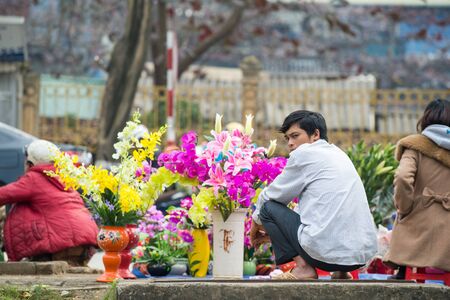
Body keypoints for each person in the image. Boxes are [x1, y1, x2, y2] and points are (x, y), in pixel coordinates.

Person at [250, 110, 377, 280]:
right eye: (288, 138)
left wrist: (255, 223)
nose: (290, 143)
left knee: (267, 208)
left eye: (295, 136)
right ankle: (341, 274)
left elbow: (271, 196)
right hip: (359, 258)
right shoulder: (340, 154)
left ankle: (303, 268)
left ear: (315, 134)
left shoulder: (304, 154)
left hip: (323, 256)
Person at [0, 139, 98, 266]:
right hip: (85, 243)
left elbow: (3, 194)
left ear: (30, 164)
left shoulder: (34, 178)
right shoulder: (63, 177)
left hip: (60, 245)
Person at [383, 98, 450, 279]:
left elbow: (403, 177)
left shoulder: (415, 145)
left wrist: (404, 206)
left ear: (426, 119)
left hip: (419, 223)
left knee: (404, 218)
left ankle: (403, 270)